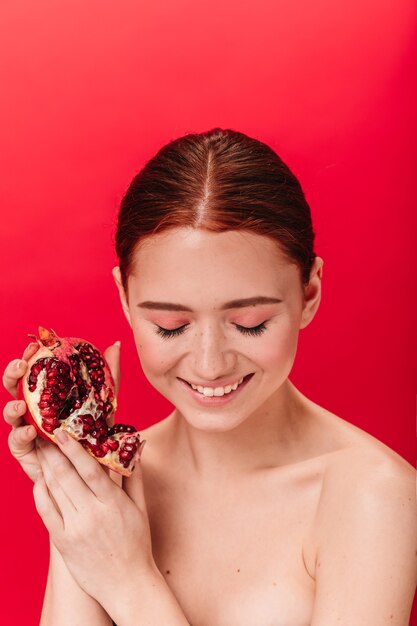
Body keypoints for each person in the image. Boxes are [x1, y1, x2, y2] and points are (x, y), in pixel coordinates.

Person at [3, 127, 416, 625]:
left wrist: (131, 584)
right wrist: (72, 482)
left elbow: (125, 582)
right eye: (170, 326)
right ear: (125, 300)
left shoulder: (374, 496)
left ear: (309, 293)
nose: (209, 363)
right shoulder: (109, 490)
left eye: (250, 323)